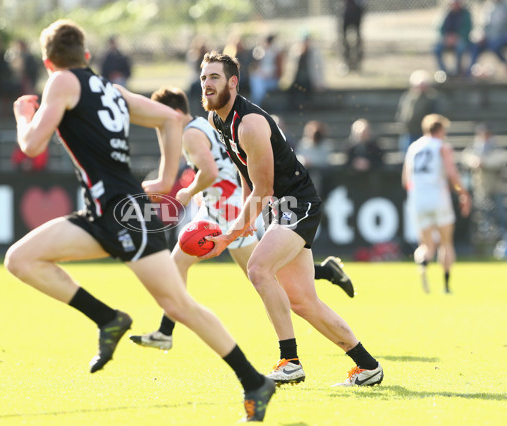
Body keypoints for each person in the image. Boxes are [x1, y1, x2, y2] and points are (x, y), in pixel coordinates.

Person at [4, 20, 275, 422]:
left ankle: (253, 380)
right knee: (20, 259)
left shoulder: (61, 82)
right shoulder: (111, 90)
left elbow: (31, 144)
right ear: (88, 56)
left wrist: (23, 114)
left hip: (119, 213)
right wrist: (166, 178)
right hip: (107, 213)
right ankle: (109, 319)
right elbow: (169, 119)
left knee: (179, 304)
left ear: (48, 62)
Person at [130, 88, 355, 385]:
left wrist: (188, 192)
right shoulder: (208, 122)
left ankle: (294, 346)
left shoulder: (192, 132)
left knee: (262, 273)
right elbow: (235, 163)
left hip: (228, 207)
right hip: (226, 202)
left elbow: (210, 171)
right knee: (261, 273)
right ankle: (165, 331)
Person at [197, 51, 383, 387]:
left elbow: (264, 188)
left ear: (233, 82)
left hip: (297, 204)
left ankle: (290, 360)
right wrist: (243, 223)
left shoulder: (250, 123)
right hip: (278, 208)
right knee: (302, 301)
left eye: (214, 77)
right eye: (203, 78)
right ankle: (367, 366)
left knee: (257, 269)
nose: (207, 84)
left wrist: (229, 235)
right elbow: (247, 177)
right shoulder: (217, 121)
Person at [402, 114, 471, 294]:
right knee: (446, 243)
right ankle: (446, 285)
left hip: (417, 199)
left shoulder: (413, 147)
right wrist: (462, 193)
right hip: (438, 197)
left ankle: (423, 264)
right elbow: (452, 174)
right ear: (440, 130)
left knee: (425, 244)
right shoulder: (442, 147)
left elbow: (406, 180)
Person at [461, 123, 507, 245]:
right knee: (482, 215)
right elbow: (466, 157)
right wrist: (475, 161)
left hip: (496, 188)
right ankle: (483, 243)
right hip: (480, 188)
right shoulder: (475, 147)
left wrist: (484, 162)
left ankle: (501, 242)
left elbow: (501, 158)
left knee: (499, 215)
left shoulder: (496, 146)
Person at [395, 69, 442, 153]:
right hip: (408, 132)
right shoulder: (408, 96)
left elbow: (434, 116)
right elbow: (402, 112)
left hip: (422, 134)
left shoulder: (431, 98)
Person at [433, 0, 472, 78]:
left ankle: (458, 71)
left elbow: (467, 28)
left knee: (460, 48)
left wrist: (456, 37)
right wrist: (446, 37)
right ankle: (443, 71)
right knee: (436, 49)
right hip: (447, 39)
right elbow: (440, 28)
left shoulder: (465, 14)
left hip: (460, 39)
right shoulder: (446, 14)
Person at [287, 32, 326, 110]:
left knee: (306, 87)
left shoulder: (314, 52)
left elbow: (319, 68)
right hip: (297, 79)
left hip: (310, 79)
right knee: (292, 90)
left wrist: (321, 82)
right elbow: (290, 67)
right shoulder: (296, 51)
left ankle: (306, 105)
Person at [468, 0, 507, 76]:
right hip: (489, 37)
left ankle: (505, 63)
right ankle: (470, 72)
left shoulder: (505, 6)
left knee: (495, 46)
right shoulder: (488, 7)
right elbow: (484, 26)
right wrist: (481, 36)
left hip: (502, 36)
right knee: (475, 46)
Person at [294, 120, 333, 192]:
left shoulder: (326, 145)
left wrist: (311, 162)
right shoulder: (303, 144)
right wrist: (304, 161)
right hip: (304, 171)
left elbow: (325, 161)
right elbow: (297, 157)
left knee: (315, 177)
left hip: (320, 172)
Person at [250, 34, 284, 106]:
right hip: (262, 79)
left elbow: (278, 72)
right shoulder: (262, 51)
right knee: (256, 80)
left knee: (259, 85)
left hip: (272, 80)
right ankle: (256, 103)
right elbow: (255, 66)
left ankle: (255, 104)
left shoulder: (276, 54)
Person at [339, 0, 366, 72]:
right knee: (344, 39)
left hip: (357, 11)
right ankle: (346, 62)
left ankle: (358, 63)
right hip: (347, 11)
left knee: (358, 38)